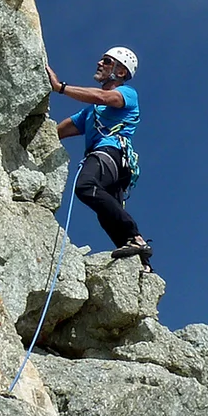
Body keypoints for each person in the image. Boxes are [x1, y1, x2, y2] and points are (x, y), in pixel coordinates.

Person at [48, 46, 149, 270]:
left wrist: (61, 88)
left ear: (120, 72)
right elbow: (60, 130)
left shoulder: (127, 93)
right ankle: (142, 264)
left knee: (86, 187)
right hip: (115, 166)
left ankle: (136, 237)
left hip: (110, 153)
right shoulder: (90, 111)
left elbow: (105, 97)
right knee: (107, 216)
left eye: (106, 61)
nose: (99, 63)